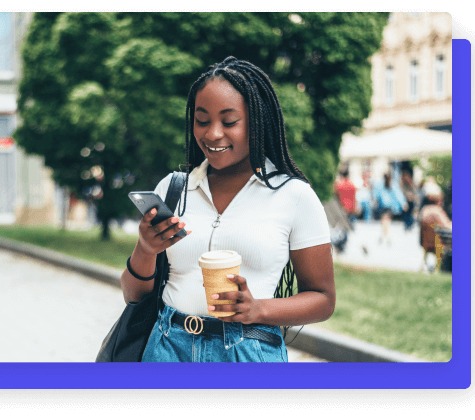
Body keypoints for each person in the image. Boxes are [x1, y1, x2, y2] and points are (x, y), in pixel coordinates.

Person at [121, 56, 335, 363]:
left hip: (247, 353)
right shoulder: (173, 190)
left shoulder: (294, 196)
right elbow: (133, 296)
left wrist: (258, 308)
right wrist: (145, 248)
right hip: (168, 349)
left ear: (256, 122)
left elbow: (323, 300)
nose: (212, 134)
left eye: (229, 121)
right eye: (202, 120)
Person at [419, 182, 452, 273]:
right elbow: (448, 226)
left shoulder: (424, 210)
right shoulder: (437, 212)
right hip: (439, 243)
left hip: (425, 243)